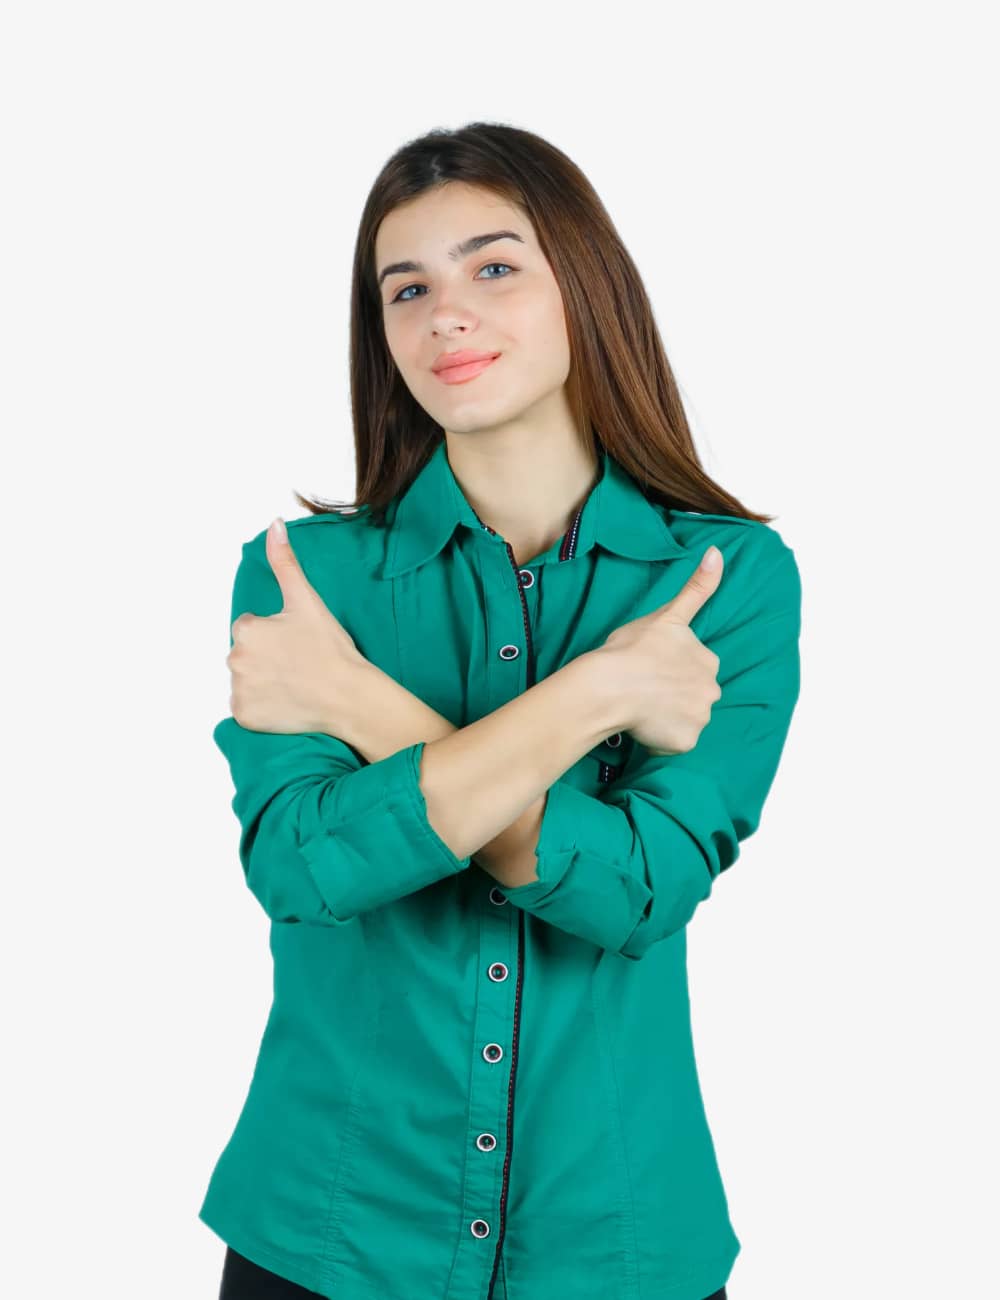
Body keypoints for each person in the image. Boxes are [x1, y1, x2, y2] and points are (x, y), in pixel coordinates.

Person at [201, 121, 801, 1300]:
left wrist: (362, 706)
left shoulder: (724, 580)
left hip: (612, 1245)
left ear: (584, 284)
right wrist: (601, 692)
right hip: (328, 1233)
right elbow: (304, 868)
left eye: (492, 267)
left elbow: (636, 892)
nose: (445, 316)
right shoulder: (303, 579)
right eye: (406, 288)